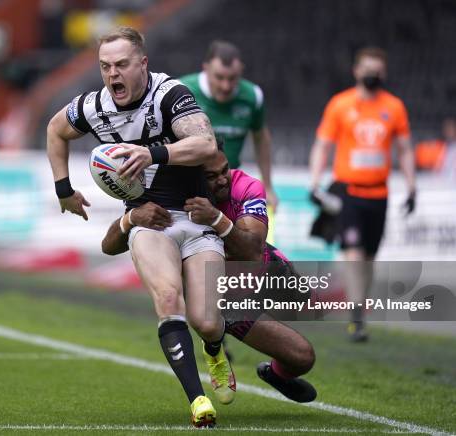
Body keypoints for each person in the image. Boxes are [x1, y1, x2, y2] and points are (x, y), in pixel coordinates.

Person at [46, 27, 232, 427]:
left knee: (207, 322)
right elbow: (55, 130)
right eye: (105, 67)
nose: (113, 75)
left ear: (143, 64)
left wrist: (152, 153)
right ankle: (198, 400)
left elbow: (206, 145)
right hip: (149, 223)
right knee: (168, 298)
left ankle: (215, 349)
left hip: (195, 219)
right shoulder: (94, 106)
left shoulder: (170, 95)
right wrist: (64, 189)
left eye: (122, 65)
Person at [102, 145, 317, 404]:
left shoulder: (245, 187)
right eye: (211, 176)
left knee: (306, 306)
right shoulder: (170, 198)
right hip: (228, 298)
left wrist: (216, 218)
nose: (222, 179)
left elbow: (252, 252)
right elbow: (109, 246)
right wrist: (132, 218)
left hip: (257, 267)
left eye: (224, 170)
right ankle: (214, 347)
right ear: (193, 178)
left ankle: (275, 375)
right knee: (303, 355)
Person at [309, 47, 416, 342]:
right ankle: (356, 315)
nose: (373, 75)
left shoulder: (394, 107)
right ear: (356, 71)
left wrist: (411, 186)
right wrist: (315, 182)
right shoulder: (341, 105)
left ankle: (360, 310)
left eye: (378, 70)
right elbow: (323, 145)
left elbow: (405, 149)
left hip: (379, 194)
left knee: (369, 257)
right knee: (353, 253)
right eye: (368, 69)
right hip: (348, 193)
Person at [180, 40, 278, 210]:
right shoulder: (182, 91)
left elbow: (261, 138)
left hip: (227, 187)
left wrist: (268, 186)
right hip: (186, 189)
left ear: (241, 71)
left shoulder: (252, 96)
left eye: (232, 78)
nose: (226, 86)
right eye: (219, 77)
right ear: (205, 68)